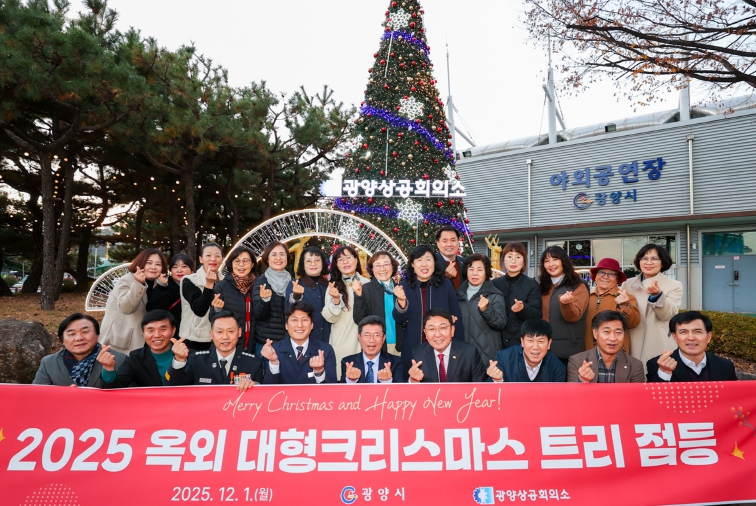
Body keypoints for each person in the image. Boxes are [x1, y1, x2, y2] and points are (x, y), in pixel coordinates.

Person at [394, 244, 465, 382]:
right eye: (419, 260)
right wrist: (402, 302)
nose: (424, 264)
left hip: (441, 347)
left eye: (428, 259)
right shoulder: (404, 286)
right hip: (413, 346)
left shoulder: (445, 284)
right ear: (413, 264)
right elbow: (399, 319)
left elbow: (456, 318)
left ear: (434, 262)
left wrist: (458, 348)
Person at [167, 310, 263, 391]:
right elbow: (173, 388)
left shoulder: (253, 363)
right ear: (211, 334)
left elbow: (263, 395)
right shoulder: (196, 360)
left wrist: (254, 386)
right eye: (219, 332)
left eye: (231, 331)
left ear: (239, 332)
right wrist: (179, 360)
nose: (225, 337)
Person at [622, 244, 683, 366]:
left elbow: (668, 315)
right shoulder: (627, 284)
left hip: (659, 342)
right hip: (631, 340)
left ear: (663, 262)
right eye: (644, 258)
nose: (648, 262)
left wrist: (657, 296)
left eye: (654, 258)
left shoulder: (674, 285)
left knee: (658, 373)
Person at [100, 248, 168, 354]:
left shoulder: (158, 283)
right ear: (141, 263)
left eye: (158, 264)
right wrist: (138, 284)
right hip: (120, 343)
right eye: (149, 263)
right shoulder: (127, 280)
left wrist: (162, 287)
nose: (153, 267)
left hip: (145, 341)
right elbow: (126, 308)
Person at [34, 313, 126, 387]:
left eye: (85, 332)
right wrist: (63, 396)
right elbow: (38, 395)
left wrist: (108, 372)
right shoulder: (49, 363)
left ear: (97, 334)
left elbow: (127, 393)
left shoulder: (119, 359)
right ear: (62, 340)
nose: (79, 338)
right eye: (71, 334)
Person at [322, 245, 369, 380]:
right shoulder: (333, 286)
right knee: (343, 381)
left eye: (348, 257)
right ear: (336, 264)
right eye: (341, 259)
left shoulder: (367, 284)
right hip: (342, 343)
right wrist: (336, 301)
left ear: (356, 260)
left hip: (366, 343)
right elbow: (330, 318)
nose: (345, 262)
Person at [647, 311, 737, 382]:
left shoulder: (725, 366)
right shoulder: (657, 365)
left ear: (709, 337)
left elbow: (733, 397)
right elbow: (653, 398)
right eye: (683, 332)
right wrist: (664, 373)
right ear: (675, 337)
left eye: (697, 332)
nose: (691, 338)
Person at [261, 301, 338, 384]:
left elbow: (332, 388)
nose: (300, 325)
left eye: (304, 320)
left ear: (312, 325)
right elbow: (269, 387)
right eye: (294, 320)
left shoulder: (325, 350)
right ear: (286, 325)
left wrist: (319, 372)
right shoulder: (274, 351)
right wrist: (273, 363)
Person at [539, 246, 589, 365]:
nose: (551, 264)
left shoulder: (578, 285)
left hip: (569, 352)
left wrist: (567, 304)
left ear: (563, 261)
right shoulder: (541, 285)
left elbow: (574, 317)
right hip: (543, 350)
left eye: (555, 259)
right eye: (547, 261)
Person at [104, 310, 179, 388]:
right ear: (143, 333)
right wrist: (108, 370)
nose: (157, 335)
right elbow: (116, 387)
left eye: (163, 329)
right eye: (151, 330)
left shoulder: (186, 354)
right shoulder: (136, 358)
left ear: (173, 331)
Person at [407, 308, 486, 383]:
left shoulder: (469, 353)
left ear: (452, 330)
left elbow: (481, 386)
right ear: (425, 333)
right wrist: (413, 381)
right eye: (431, 329)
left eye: (443, 328)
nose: (437, 334)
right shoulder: (418, 353)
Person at [457, 253, 508, 365]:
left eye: (480, 269)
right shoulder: (458, 296)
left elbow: (501, 323)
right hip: (462, 356)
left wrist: (487, 309)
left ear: (486, 273)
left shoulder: (494, 295)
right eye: (471, 269)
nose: (475, 273)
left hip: (487, 358)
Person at [567, 310, 645, 383]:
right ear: (595, 333)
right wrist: (582, 380)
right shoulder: (577, 361)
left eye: (618, 332)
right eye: (607, 332)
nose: (613, 338)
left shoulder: (635, 365)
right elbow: (571, 392)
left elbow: (638, 393)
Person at [352, 250, 405, 357]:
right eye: (377, 265)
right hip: (375, 345)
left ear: (392, 266)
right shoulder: (365, 289)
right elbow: (359, 319)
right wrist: (359, 296)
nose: (382, 269)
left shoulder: (401, 289)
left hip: (401, 344)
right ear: (372, 269)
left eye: (386, 264)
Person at [491, 242, 542, 348]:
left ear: (524, 261)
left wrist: (523, 309)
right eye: (509, 256)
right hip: (496, 341)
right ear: (503, 260)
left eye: (518, 257)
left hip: (520, 342)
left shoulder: (531, 284)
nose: (513, 261)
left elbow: (537, 314)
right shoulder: (494, 284)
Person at [584, 258, 641, 352]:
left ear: (617, 279)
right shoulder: (586, 297)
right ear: (595, 276)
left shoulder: (625, 298)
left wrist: (625, 306)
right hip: (588, 351)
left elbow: (633, 323)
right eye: (601, 272)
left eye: (611, 274)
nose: (605, 277)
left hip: (615, 353)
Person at [487, 319, 566, 383]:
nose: (535, 347)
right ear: (522, 342)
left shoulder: (557, 368)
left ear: (549, 343)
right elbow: (490, 394)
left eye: (541, 341)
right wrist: (497, 380)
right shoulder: (504, 359)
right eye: (530, 341)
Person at [180, 242, 224, 351]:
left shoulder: (225, 282)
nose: (213, 259)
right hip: (194, 339)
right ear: (201, 259)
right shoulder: (189, 280)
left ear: (222, 259)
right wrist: (208, 285)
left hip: (220, 338)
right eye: (208, 255)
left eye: (217, 256)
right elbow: (199, 310)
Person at [213, 246, 256, 352]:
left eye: (245, 261)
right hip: (229, 346)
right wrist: (217, 309)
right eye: (237, 261)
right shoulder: (221, 286)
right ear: (231, 264)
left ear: (252, 264)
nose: (241, 264)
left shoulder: (258, 286)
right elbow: (212, 318)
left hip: (252, 345)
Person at [252, 242, 291, 356]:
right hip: (267, 344)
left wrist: (297, 298)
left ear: (287, 257)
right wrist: (265, 301)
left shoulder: (293, 282)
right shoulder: (261, 282)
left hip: (289, 342)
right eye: (273, 254)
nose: (278, 258)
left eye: (282, 254)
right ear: (267, 258)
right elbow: (259, 315)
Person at [285, 246, 331, 343]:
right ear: (303, 264)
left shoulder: (329, 285)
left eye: (317, 260)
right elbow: (288, 311)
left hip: (328, 339)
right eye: (309, 261)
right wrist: (296, 296)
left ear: (322, 263)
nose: (313, 264)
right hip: (303, 340)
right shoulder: (295, 284)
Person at [341, 315, 403, 383]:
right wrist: (350, 381)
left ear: (383, 338)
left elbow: (401, 389)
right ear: (359, 337)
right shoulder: (348, 363)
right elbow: (340, 389)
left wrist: (387, 381)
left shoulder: (396, 362)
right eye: (367, 335)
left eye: (376, 335)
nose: (371, 340)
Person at [147, 253, 193, 340]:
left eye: (184, 266)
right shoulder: (164, 285)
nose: (179, 270)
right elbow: (153, 309)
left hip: (194, 334)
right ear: (170, 270)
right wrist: (162, 288)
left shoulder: (198, 286)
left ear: (192, 270)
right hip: (170, 334)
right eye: (175, 267)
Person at [435, 226, 467, 290]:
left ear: (458, 243)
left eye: (453, 240)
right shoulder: (431, 263)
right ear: (438, 244)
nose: (449, 244)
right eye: (445, 241)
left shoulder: (465, 263)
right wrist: (445, 277)